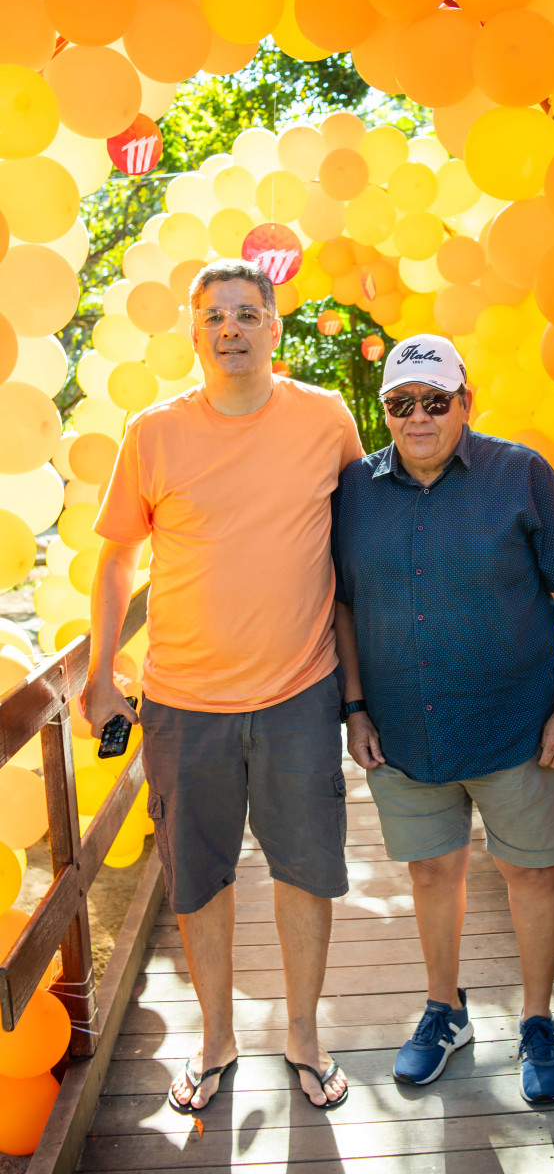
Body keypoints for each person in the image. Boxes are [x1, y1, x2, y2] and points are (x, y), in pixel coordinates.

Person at [82, 258, 362, 1113]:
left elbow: (365, 536)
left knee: (306, 871)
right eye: (214, 316)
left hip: (300, 694)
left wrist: (364, 692)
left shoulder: (326, 418)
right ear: (194, 331)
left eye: (246, 313)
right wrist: (100, 675)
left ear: (275, 327)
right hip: (182, 703)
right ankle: (216, 1040)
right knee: (199, 879)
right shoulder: (154, 431)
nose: (230, 329)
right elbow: (116, 560)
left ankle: (304, 1036)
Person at [332, 333, 554, 1104]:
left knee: (531, 873)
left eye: (435, 400)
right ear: (385, 410)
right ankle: (444, 1011)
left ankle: (537, 1023)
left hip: (515, 726)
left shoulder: (521, 473)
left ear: (465, 402)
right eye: (401, 403)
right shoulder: (354, 488)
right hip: (402, 731)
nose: (418, 416)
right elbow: (344, 603)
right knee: (431, 872)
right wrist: (354, 707)